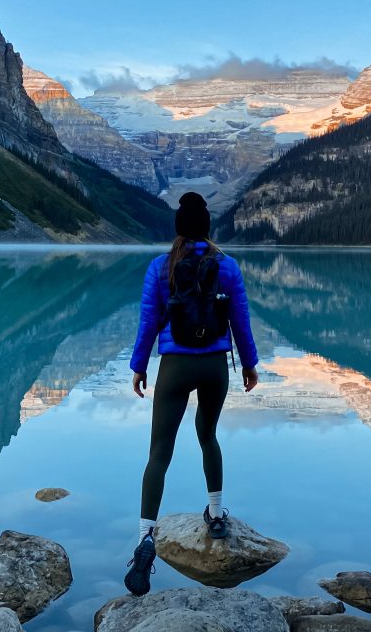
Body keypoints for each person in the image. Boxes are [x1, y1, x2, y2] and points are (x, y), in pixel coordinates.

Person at [123, 191, 259, 596]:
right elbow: (241, 321)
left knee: (159, 452)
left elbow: (149, 320)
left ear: (179, 229)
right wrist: (250, 365)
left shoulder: (160, 267)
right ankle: (216, 517)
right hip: (215, 366)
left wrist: (138, 366)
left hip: (176, 366)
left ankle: (147, 537)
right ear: (208, 228)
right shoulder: (228, 266)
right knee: (208, 436)